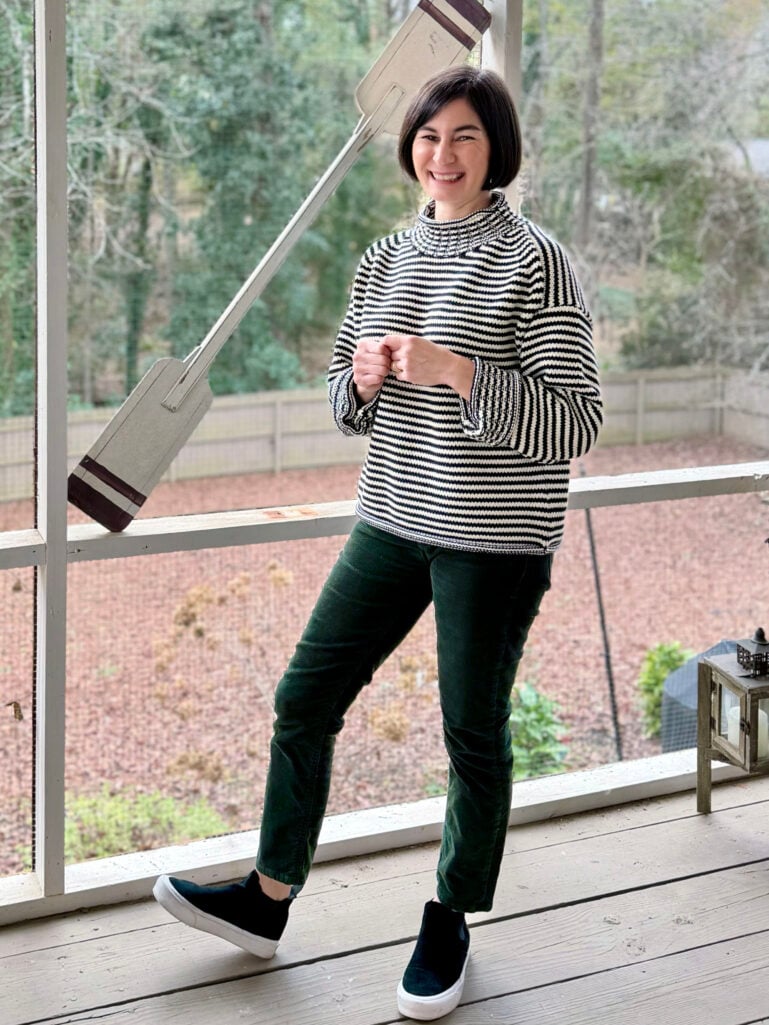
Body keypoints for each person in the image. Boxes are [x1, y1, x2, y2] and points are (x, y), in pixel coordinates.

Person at [153, 64, 602, 1021]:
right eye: (429, 136)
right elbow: (343, 409)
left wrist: (461, 370)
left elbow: (575, 421)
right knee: (304, 696)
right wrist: (358, 381)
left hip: (493, 539)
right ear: (410, 146)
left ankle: (449, 916)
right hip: (391, 518)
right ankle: (266, 899)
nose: (442, 155)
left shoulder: (536, 260)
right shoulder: (383, 259)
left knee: (470, 735)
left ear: (497, 150)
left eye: (465, 137)